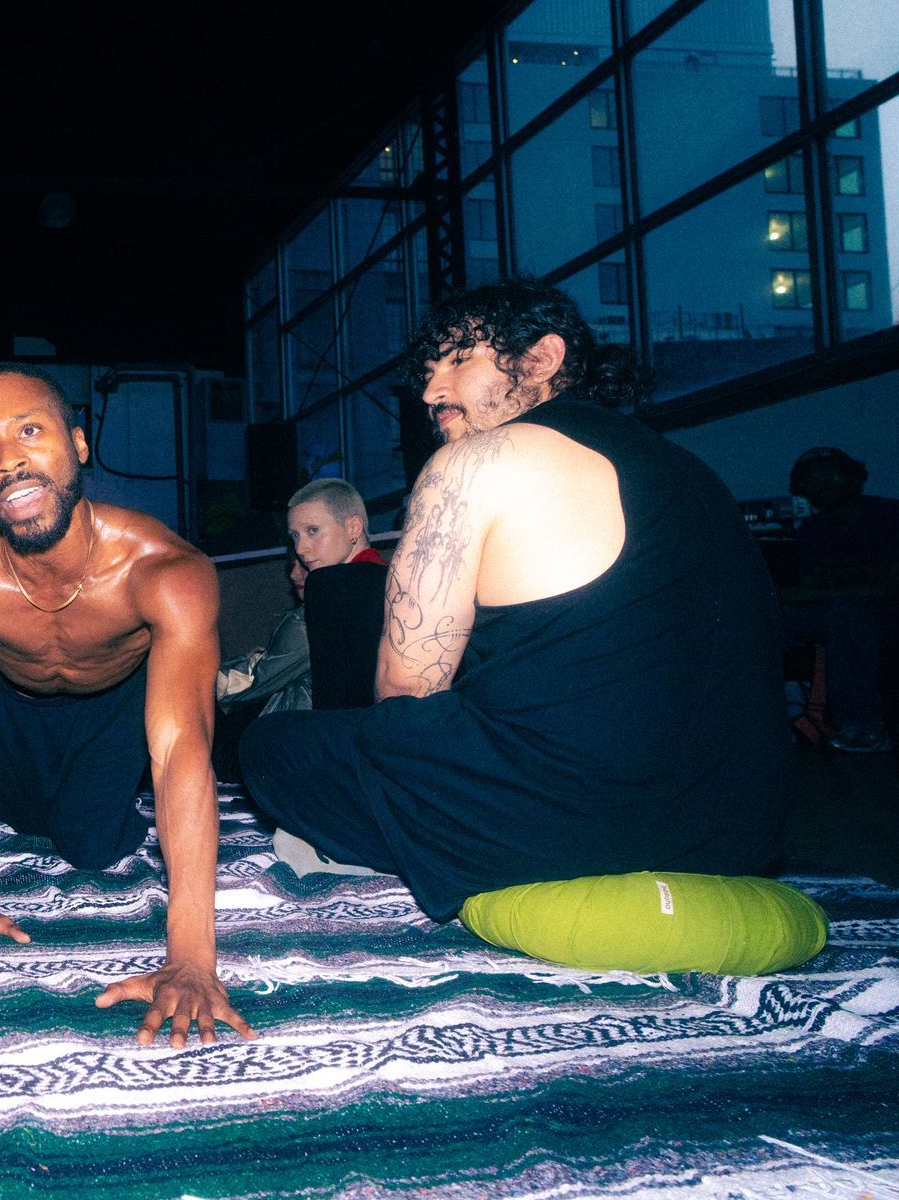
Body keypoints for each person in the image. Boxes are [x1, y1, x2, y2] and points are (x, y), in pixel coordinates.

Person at [239, 277, 788, 920]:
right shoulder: (690, 471)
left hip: (576, 827)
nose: (431, 391)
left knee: (274, 747)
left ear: (542, 358)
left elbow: (407, 689)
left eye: (458, 360)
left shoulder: (477, 460)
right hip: (737, 830)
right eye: (428, 371)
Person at [0, 363, 251, 1048]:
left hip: (114, 704)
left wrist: (191, 957)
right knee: (22, 820)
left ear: (79, 444)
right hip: (11, 700)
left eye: (29, 431)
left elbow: (180, 747)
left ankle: (116, 807)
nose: (7, 460)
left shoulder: (166, 570)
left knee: (87, 845)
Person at [780, 446, 898, 754]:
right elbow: (807, 586)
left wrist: (818, 593)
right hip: (835, 612)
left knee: (847, 612)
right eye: (811, 481)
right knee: (770, 616)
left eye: (829, 476)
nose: (821, 486)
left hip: (885, 613)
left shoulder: (888, 516)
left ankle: (864, 726)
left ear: (855, 477)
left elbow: (888, 585)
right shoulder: (813, 530)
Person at [287, 479, 391, 710]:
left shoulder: (326, 582)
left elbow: (331, 695)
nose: (300, 548)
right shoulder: (392, 579)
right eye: (295, 535)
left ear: (353, 527)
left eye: (313, 530)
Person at [211, 557, 310, 780]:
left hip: (291, 743)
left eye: (303, 564)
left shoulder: (306, 622)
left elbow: (253, 681)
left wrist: (194, 680)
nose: (294, 574)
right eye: (292, 565)